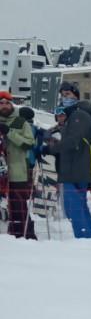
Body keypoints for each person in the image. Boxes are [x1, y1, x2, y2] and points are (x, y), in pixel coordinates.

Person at [54, 81, 91, 238]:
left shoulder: (79, 115)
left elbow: (74, 141)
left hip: (76, 168)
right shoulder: (71, 115)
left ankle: (84, 239)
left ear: (76, 96)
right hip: (73, 167)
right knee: (79, 207)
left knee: (74, 208)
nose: (65, 98)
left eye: (68, 95)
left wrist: (51, 148)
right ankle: (90, 238)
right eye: (63, 95)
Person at [0, 91, 36, 239]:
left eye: (7, 102)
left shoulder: (21, 122)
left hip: (17, 172)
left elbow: (29, 143)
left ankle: (26, 235)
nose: (4, 106)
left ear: (11, 104)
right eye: (1, 103)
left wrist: (9, 132)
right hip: (1, 173)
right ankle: (8, 235)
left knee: (18, 206)